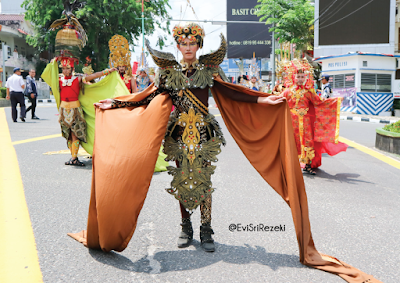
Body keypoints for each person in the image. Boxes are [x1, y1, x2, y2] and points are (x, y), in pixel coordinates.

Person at [68, 24, 379, 283]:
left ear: (199, 45)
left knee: (202, 180)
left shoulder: (209, 69)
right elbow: (146, 96)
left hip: (203, 133)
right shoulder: (167, 72)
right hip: (178, 132)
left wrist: (264, 101)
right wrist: (117, 104)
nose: (187, 47)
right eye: (183, 43)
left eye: (192, 43)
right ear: (177, 45)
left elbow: (234, 93)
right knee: (181, 179)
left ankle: (205, 228)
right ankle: (185, 226)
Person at [44, 56, 117, 166]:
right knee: (68, 134)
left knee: (75, 134)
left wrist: (107, 71)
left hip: (76, 110)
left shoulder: (77, 79)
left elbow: (93, 76)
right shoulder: (58, 80)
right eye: (63, 68)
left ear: (72, 69)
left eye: (67, 68)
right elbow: (48, 76)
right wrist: (52, 63)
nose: (65, 70)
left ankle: (74, 158)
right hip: (63, 110)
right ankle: (73, 156)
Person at [281, 59, 347, 175]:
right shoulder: (287, 92)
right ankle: (291, 165)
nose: (300, 79)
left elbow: (320, 102)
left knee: (307, 142)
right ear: (293, 77)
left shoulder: (309, 92)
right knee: (292, 141)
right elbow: (278, 101)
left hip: (306, 122)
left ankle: (307, 165)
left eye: (302, 76)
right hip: (292, 121)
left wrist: (335, 101)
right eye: (298, 76)